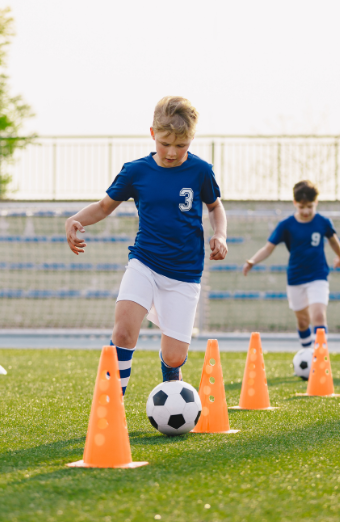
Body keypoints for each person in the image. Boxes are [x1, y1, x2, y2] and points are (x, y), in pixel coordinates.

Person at [65, 96, 227, 394]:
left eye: (182, 146)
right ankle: (112, 406)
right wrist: (76, 220)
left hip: (185, 272)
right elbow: (103, 207)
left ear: (191, 140)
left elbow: (215, 207)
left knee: (174, 355)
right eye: (166, 143)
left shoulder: (201, 171)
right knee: (124, 331)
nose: (172, 152)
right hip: (144, 262)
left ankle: (171, 374)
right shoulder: (135, 171)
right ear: (153, 134)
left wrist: (220, 234)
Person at [242, 180, 340, 348]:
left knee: (318, 315)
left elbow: (334, 241)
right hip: (296, 278)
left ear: (316, 203)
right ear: (295, 203)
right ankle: (306, 353)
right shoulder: (286, 225)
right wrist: (253, 260)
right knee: (303, 321)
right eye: (302, 207)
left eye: (310, 206)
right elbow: (269, 248)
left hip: (318, 276)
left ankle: (320, 358)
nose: (306, 211)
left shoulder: (323, 222)